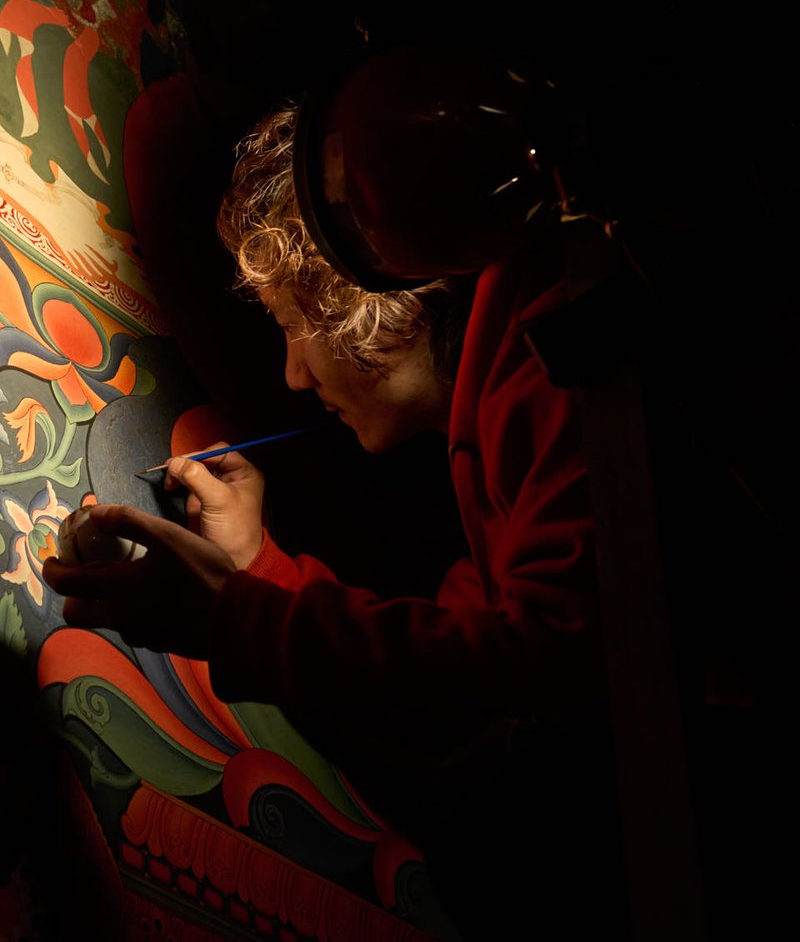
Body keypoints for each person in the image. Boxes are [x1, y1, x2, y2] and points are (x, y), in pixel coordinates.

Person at [42, 104, 627, 938]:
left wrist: (234, 615)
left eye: (290, 325)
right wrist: (260, 566)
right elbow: (459, 632)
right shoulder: (489, 404)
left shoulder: (552, 355)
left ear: (357, 298)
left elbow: (538, 669)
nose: (290, 375)